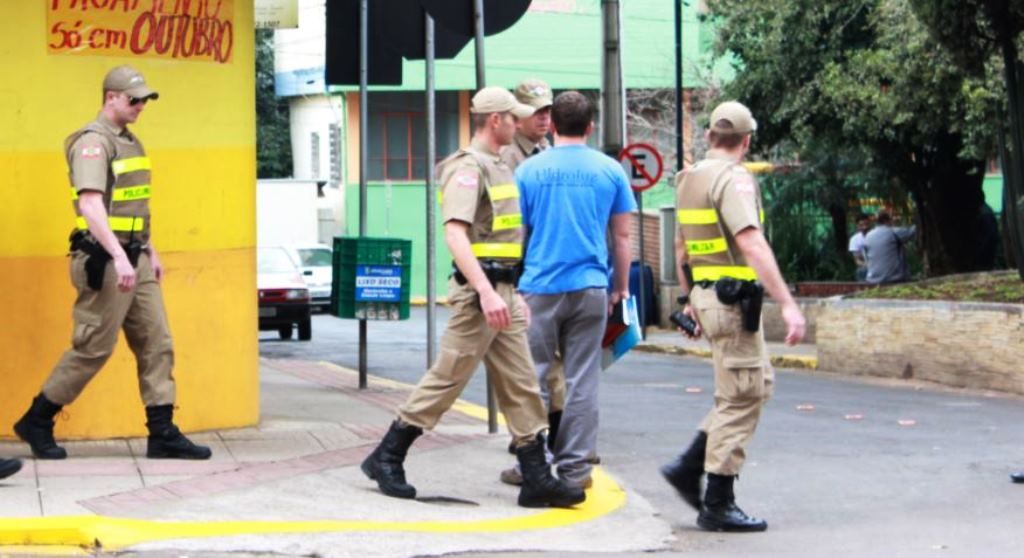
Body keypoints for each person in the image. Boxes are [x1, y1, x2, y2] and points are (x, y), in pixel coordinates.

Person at [360, 87, 585, 509]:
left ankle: (537, 476)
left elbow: (500, 239)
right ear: (494, 120)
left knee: (522, 384)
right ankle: (386, 456)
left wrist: (510, 293)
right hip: (479, 295)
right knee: (448, 378)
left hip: (502, 292)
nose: (519, 124)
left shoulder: (499, 166)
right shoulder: (467, 167)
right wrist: (486, 291)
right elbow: (455, 234)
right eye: (513, 118)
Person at [13, 66, 211, 461]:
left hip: (134, 257)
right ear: (111, 98)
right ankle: (38, 418)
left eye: (144, 100)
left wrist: (148, 250)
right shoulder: (92, 142)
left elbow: (129, 204)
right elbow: (90, 205)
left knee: (157, 343)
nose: (141, 106)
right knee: (93, 348)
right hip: (105, 260)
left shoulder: (130, 142)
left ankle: (162, 432)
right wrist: (120, 257)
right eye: (134, 99)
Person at [663, 101, 806, 532]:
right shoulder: (733, 179)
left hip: (710, 297)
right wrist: (787, 302)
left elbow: (680, 249)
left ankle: (690, 465)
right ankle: (717, 501)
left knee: (755, 386)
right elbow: (751, 242)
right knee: (740, 397)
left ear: (709, 137)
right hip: (731, 300)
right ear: (745, 142)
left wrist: (691, 300)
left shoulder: (688, 178)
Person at [512, 91, 635, 489]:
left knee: (534, 378)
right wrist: (621, 286)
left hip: (539, 287)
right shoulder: (610, 171)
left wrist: (514, 285)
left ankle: (531, 465)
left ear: (554, 124)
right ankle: (576, 470)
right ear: (590, 126)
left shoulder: (529, 172)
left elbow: (520, 233)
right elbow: (622, 235)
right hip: (590, 287)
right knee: (583, 379)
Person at [496, 78, 568, 487]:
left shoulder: (551, 154)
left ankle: (543, 446)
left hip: (548, 270)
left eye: (548, 111)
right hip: (521, 272)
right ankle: (533, 445)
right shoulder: (507, 159)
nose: (544, 118)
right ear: (515, 116)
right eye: (535, 112)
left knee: (544, 365)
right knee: (525, 367)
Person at [863, 210, 915, 284]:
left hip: (872, 279)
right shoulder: (894, 232)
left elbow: (866, 258)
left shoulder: (868, 236)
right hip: (893, 278)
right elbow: (913, 231)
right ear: (887, 221)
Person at [849, 213, 871, 281]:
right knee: (861, 271)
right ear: (857, 226)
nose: (864, 227)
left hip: (880, 264)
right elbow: (857, 260)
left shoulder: (877, 236)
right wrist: (866, 265)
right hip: (866, 265)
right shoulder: (854, 239)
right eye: (861, 225)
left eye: (866, 224)